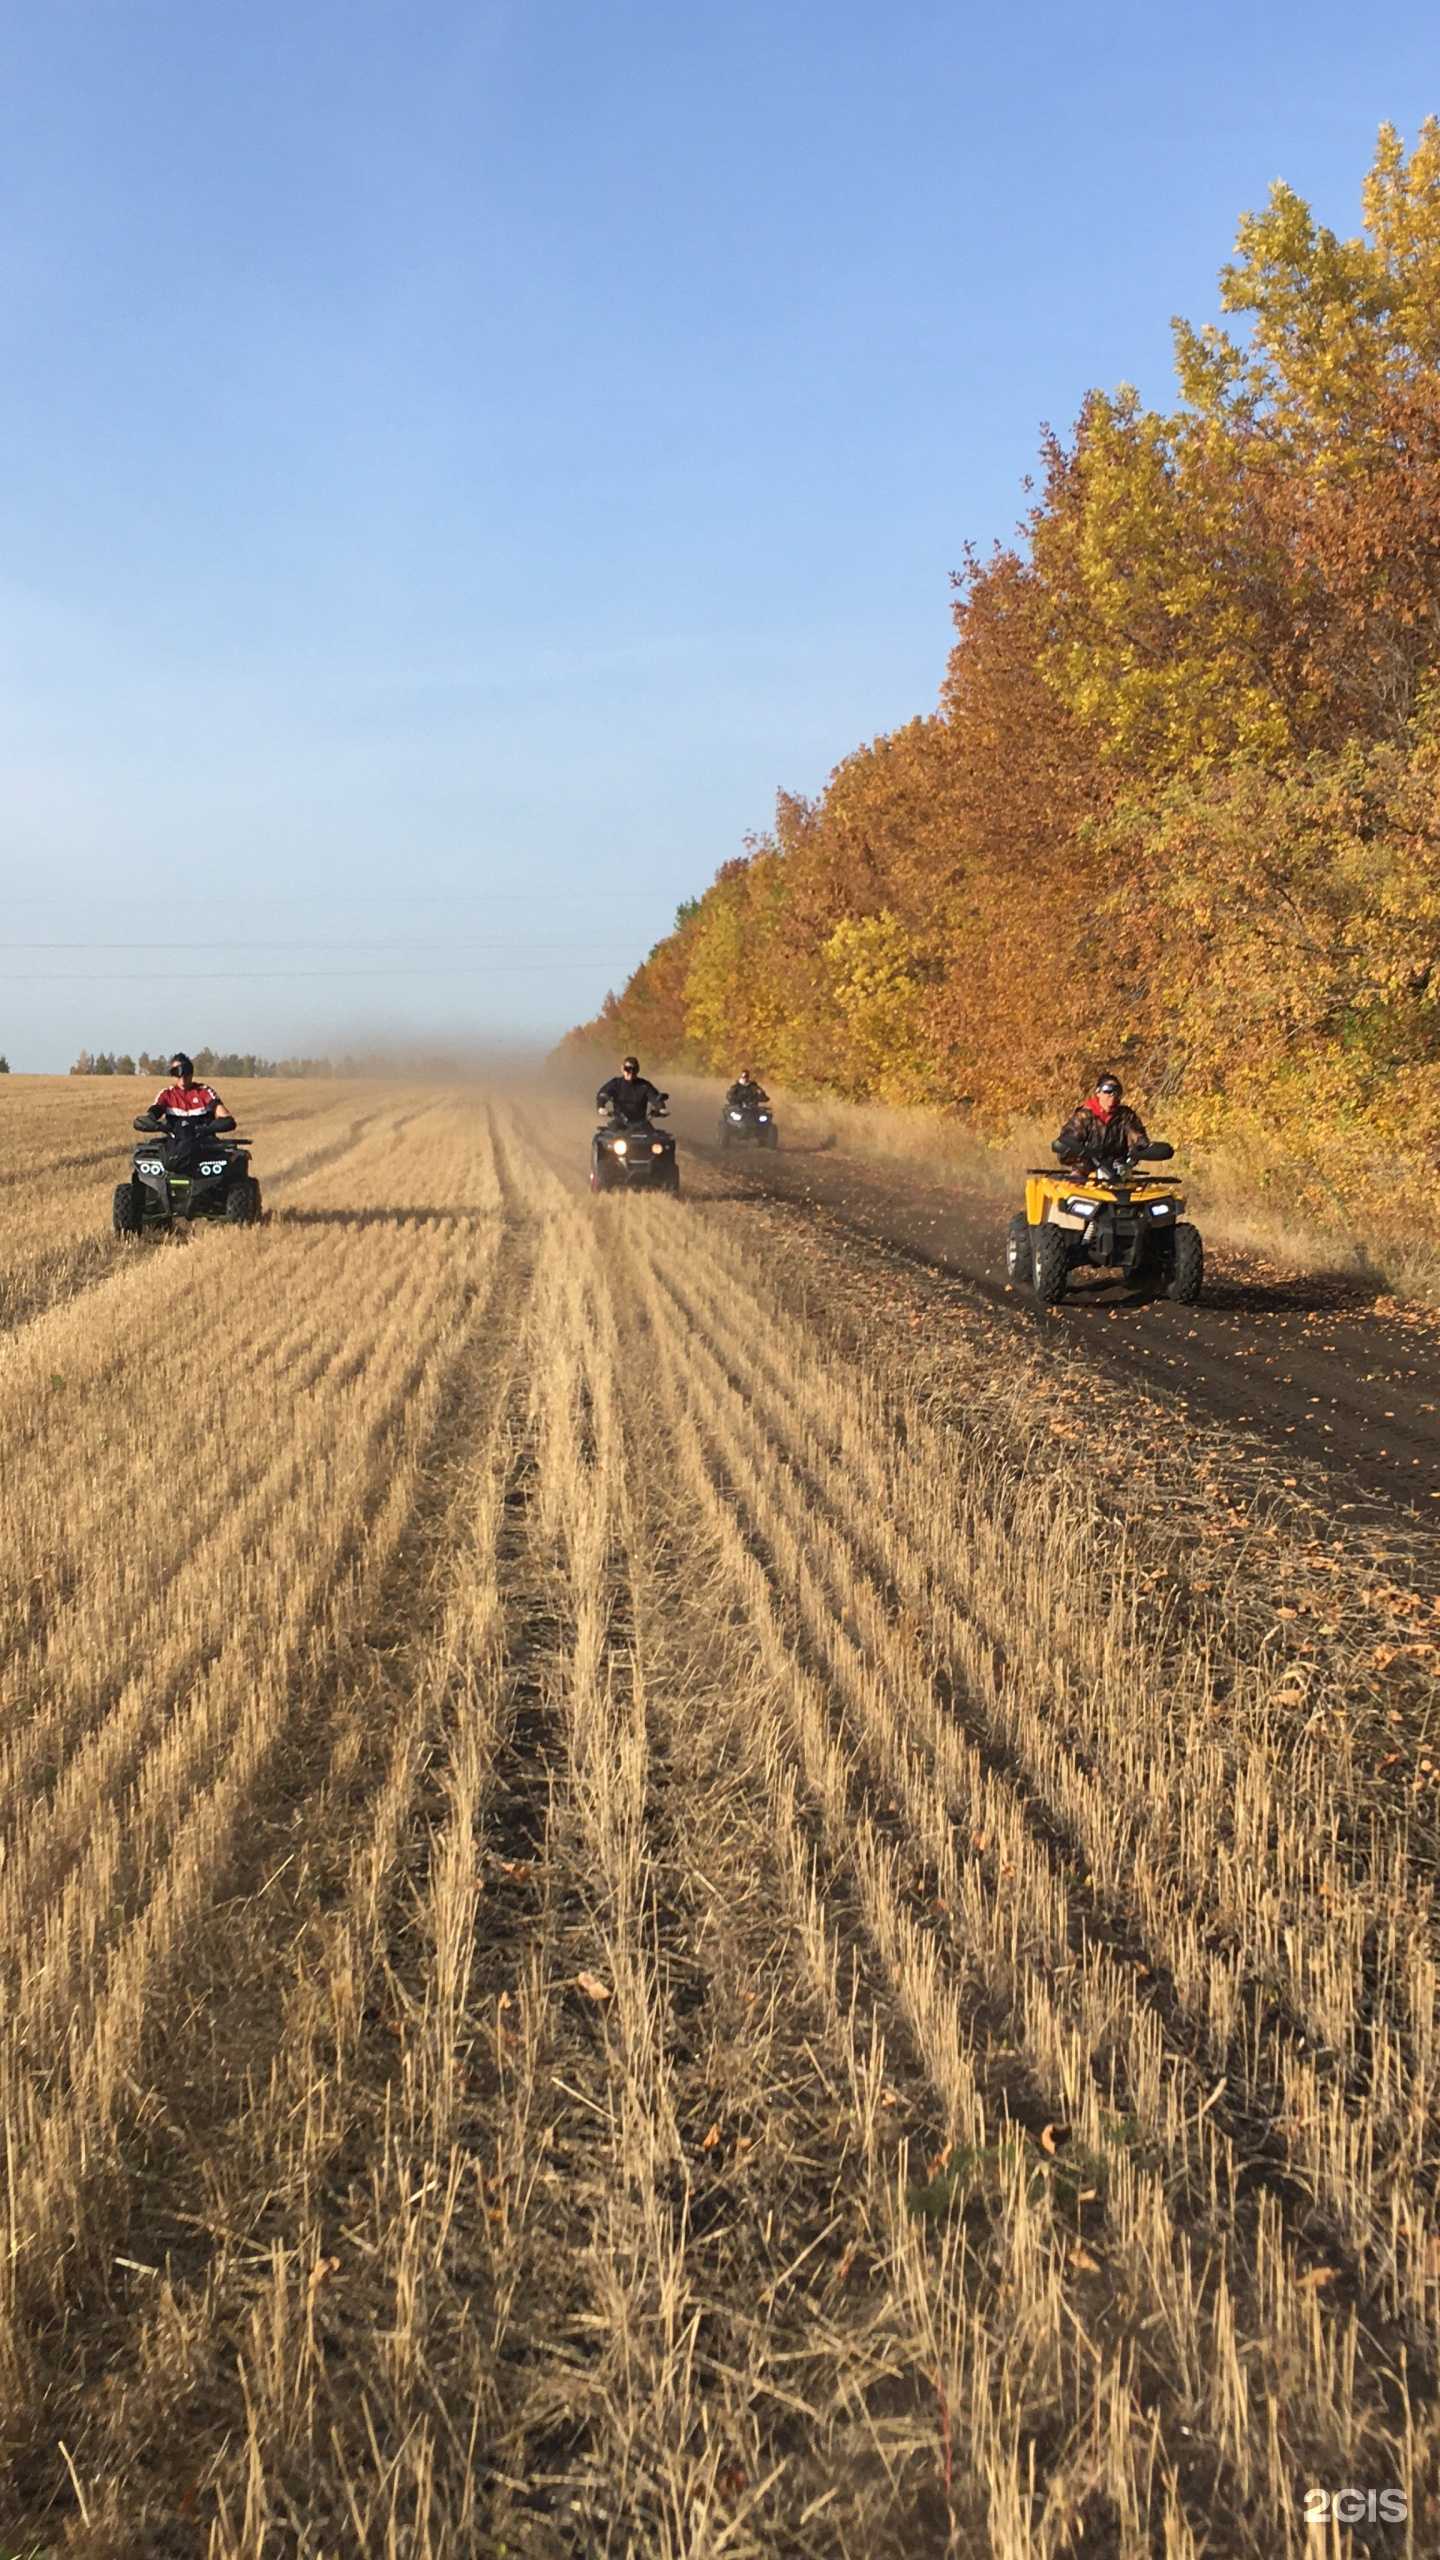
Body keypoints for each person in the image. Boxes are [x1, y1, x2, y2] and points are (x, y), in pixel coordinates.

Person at [143, 1054, 234, 1166]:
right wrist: (150, 1121)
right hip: (174, 1146)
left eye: (185, 1072)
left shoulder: (204, 1092)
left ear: (191, 1072)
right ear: (173, 1074)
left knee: (231, 1169)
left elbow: (225, 1117)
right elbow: (152, 1113)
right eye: (177, 1073)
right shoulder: (166, 1095)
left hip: (203, 1145)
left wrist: (209, 1127)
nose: (182, 1077)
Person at [1055, 1072, 1149, 1167]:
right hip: (1086, 1173)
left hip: (1119, 1172)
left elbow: (1140, 1143)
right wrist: (1085, 1157)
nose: (1112, 1095)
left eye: (1117, 1091)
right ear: (1098, 1092)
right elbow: (1066, 1146)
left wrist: (1137, 1154)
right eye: (1107, 1090)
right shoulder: (1084, 1116)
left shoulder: (1126, 1116)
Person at [595, 1056, 666, 1126]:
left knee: (659, 1137)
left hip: (642, 1123)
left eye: (634, 1069)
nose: (631, 1072)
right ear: (622, 1069)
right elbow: (603, 1094)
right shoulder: (615, 1084)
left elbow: (655, 1097)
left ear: (638, 1070)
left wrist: (661, 1108)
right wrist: (601, 1106)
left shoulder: (644, 1085)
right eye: (628, 1069)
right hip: (619, 1122)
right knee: (604, 1136)